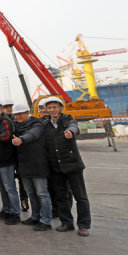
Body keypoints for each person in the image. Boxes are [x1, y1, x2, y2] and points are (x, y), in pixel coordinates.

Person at [42, 96, 91, 236]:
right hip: (56, 167)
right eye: (49, 108)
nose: (52, 110)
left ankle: (83, 225)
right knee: (60, 196)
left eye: (54, 107)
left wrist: (71, 132)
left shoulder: (68, 119)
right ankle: (67, 223)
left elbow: (74, 127)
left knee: (80, 196)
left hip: (72, 165)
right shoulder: (45, 124)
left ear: (60, 108)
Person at [11, 103, 52, 231]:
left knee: (42, 193)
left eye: (20, 114)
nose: (18, 117)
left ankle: (45, 221)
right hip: (24, 165)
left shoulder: (37, 124)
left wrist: (21, 139)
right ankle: (35, 217)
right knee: (31, 193)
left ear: (27, 113)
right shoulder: (16, 126)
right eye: (16, 115)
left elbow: (33, 134)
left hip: (38, 164)